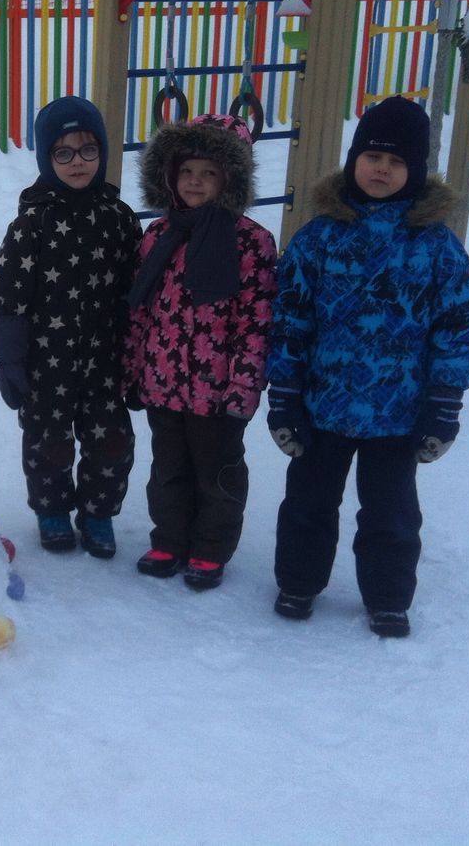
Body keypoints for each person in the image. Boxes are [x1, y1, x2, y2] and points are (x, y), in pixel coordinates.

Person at [265, 95, 469, 638]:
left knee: (390, 514)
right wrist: (285, 395)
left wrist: (443, 407)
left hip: (399, 413)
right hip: (323, 405)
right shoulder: (319, 237)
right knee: (308, 504)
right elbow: (289, 316)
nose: (381, 169)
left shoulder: (436, 247)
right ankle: (298, 581)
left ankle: (388, 597)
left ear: (415, 172)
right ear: (353, 161)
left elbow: (457, 326)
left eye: (396, 162)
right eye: (371, 157)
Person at [124, 114, 277, 591]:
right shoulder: (158, 236)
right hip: (163, 384)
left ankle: (211, 547)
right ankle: (169, 538)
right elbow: (139, 311)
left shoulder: (250, 242)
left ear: (230, 180)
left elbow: (257, 321)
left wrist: (243, 389)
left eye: (209, 173)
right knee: (167, 471)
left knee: (217, 473)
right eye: (187, 171)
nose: (195, 182)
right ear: (169, 176)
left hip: (216, 391)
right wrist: (132, 369)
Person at [0, 96, 144, 557]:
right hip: (46, 360)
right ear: (46, 159)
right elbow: (5, 292)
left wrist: (138, 353)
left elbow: (138, 289)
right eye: (64, 152)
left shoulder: (119, 218)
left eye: (88, 150)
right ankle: (51, 509)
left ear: (104, 153)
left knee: (111, 440)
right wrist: (11, 357)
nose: (78, 162)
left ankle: (98, 512)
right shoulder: (33, 222)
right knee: (48, 440)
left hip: (105, 357)